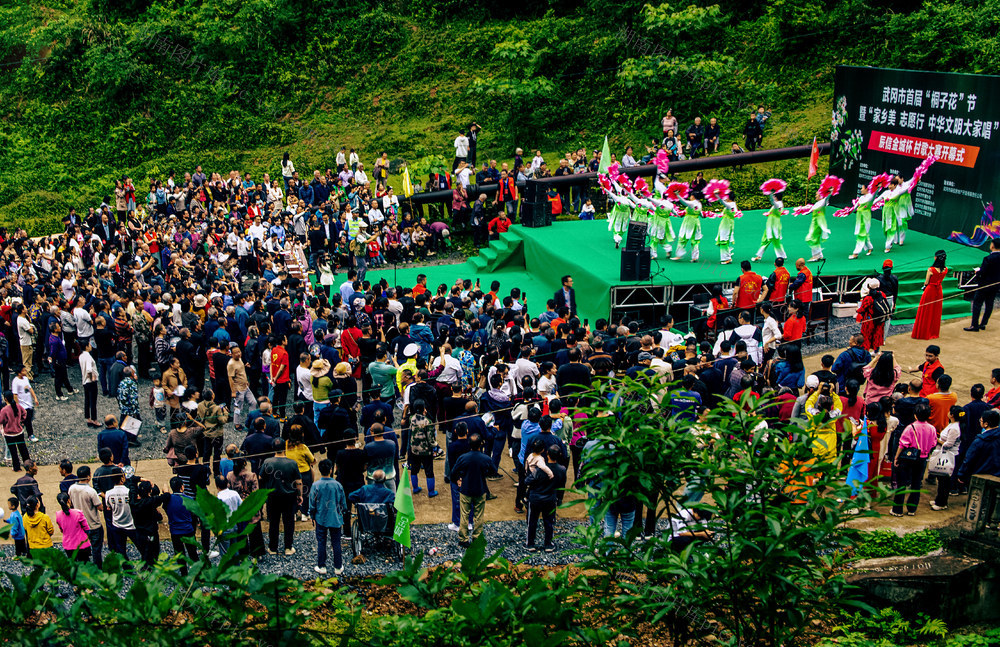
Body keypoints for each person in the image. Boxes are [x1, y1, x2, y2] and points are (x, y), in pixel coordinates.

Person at [890, 403, 938, 516]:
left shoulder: (910, 428)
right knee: (916, 483)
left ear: (915, 415)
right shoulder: (932, 429)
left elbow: (902, 444)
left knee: (902, 483)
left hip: (907, 459)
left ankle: (897, 510)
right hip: (922, 459)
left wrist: (896, 457)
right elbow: (933, 443)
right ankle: (912, 509)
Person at [450, 432, 495, 547]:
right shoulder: (485, 458)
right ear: (480, 444)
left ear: (469, 444)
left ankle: (463, 538)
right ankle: (477, 537)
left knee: (464, 514)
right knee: (479, 515)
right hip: (480, 488)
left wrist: (459, 479)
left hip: (466, 488)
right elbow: (493, 471)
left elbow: (453, 472)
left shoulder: (463, 458)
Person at [260, 438, 302, 555]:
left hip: (273, 496)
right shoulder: (292, 463)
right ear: (285, 448)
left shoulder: (267, 462)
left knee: (273, 522)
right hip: (289, 497)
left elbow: (260, 478)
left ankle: (273, 547)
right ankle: (288, 547)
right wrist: (300, 495)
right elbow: (298, 481)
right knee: (289, 522)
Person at [524, 440, 566, 553]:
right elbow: (562, 486)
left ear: (547, 453)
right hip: (551, 498)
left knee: (532, 521)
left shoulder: (539, 468)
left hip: (535, 498)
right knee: (549, 522)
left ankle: (530, 543)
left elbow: (527, 480)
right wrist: (559, 499)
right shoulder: (562, 470)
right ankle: (548, 544)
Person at [309, 458, 347, 575]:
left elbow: (312, 503)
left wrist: (312, 515)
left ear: (320, 470)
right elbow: (343, 503)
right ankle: (338, 566)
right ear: (331, 470)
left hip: (321, 518)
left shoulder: (315, 485)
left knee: (321, 542)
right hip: (335, 518)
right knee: (336, 542)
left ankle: (322, 566)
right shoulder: (338, 485)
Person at [68, 465, 105, 567]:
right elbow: (100, 507)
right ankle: (98, 568)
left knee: (82, 548)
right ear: (88, 477)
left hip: (80, 525)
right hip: (93, 524)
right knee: (96, 549)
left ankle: (85, 566)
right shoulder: (91, 491)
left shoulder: (71, 488)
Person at [930, 405, 964, 511]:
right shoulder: (953, 425)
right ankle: (938, 500)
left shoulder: (954, 428)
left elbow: (949, 444)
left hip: (949, 455)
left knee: (944, 480)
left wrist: (937, 440)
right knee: (941, 479)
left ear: (952, 415)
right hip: (945, 453)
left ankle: (941, 503)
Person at [955, 409, 1000, 487]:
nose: (980, 422)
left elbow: (969, 459)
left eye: (981, 420)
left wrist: (962, 474)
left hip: (980, 474)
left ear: (986, 424)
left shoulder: (979, 441)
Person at [912, 250, 948, 340]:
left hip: (930, 290)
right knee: (935, 312)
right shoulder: (945, 270)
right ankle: (933, 332)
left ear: (936, 258)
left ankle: (923, 333)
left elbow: (926, 282)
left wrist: (924, 286)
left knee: (926, 311)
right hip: (939, 290)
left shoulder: (931, 270)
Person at [966, 237, 1000, 332]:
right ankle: (983, 323)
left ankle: (974, 325)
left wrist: (977, 273)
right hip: (995, 285)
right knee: (989, 304)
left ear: (992, 246)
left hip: (984, 285)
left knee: (977, 304)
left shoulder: (988, 258)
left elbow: (983, 273)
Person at [0, 389, 30, 472]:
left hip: (9, 433)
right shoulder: (18, 406)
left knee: (13, 451)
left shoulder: (4, 410)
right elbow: (24, 413)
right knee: (23, 449)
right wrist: (22, 421)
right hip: (19, 431)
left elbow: (1, 420)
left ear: (5, 399)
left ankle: (17, 467)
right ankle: (28, 465)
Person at [855, 278, 888, 351]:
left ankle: (865, 352)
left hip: (869, 320)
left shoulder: (868, 298)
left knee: (866, 336)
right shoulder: (882, 294)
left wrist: (857, 310)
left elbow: (862, 309)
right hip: (879, 319)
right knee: (877, 336)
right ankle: (876, 351)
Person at [79, 339, 100, 427]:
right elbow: (89, 369)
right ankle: (94, 419)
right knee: (93, 401)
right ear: (87, 347)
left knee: (87, 400)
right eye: (89, 345)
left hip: (85, 381)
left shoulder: (81, 356)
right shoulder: (88, 357)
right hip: (90, 382)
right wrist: (93, 378)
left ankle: (88, 418)